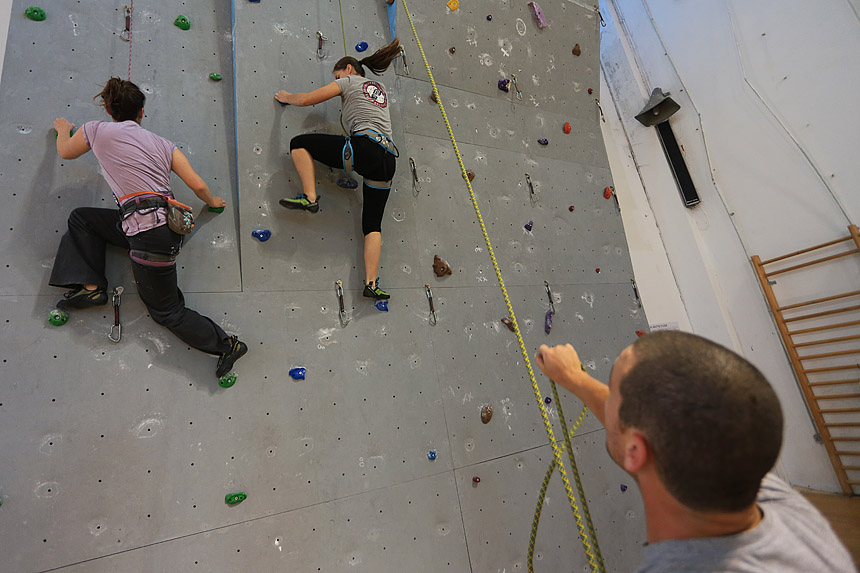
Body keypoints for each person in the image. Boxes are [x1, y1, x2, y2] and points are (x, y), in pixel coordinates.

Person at [535, 331, 856, 572]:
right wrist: (574, 377)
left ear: (636, 451)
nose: (608, 402)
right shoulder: (780, 505)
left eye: (615, 394)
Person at [50, 77, 247, 379]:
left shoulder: (95, 129)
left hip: (148, 235)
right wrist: (213, 201)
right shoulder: (164, 145)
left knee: (166, 311)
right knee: (83, 218)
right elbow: (197, 185)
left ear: (107, 109)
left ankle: (227, 345)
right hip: (157, 228)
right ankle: (91, 288)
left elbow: (65, 151)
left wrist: (63, 129)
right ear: (141, 112)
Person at [275, 39, 402, 300]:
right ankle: (371, 283)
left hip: (365, 148)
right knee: (372, 224)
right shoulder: (379, 88)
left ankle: (310, 197)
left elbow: (308, 99)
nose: (337, 80)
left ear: (348, 69)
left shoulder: (349, 81)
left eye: (337, 75)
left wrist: (287, 98)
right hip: (388, 159)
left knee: (299, 144)